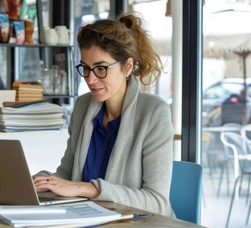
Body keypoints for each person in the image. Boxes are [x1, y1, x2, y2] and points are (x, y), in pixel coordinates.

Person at [33, 12, 174, 217]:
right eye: (86, 68)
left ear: (126, 67)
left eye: (100, 69)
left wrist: (88, 189)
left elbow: (157, 201)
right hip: (88, 221)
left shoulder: (154, 112)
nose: (90, 79)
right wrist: (44, 181)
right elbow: (67, 174)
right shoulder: (82, 107)